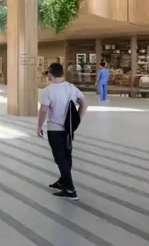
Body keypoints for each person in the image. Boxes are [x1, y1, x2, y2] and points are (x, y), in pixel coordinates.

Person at [37, 62, 87, 200]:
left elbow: (43, 110)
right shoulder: (71, 87)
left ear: (50, 74)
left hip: (55, 129)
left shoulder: (48, 90)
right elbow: (84, 104)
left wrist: (39, 127)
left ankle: (70, 189)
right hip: (68, 129)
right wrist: (77, 121)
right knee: (66, 155)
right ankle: (62, 182)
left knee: (60, 158)